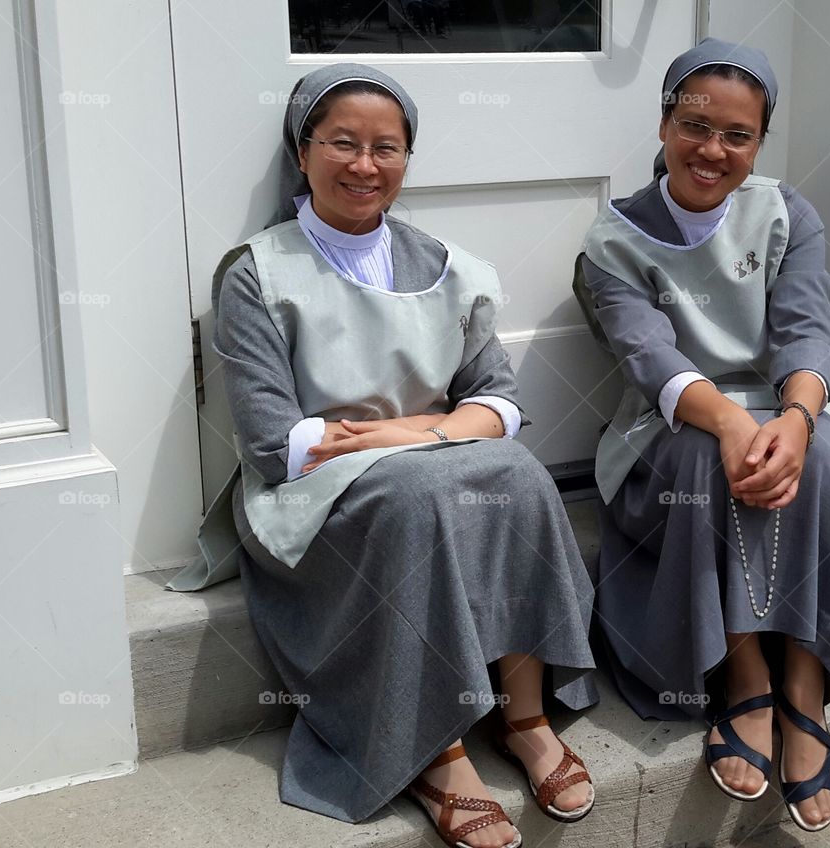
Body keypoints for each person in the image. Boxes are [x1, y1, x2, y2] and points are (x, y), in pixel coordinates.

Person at [181, 63, 598, 848]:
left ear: (408, 160)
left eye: (388, 148)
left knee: (520, 474)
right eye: (342, 143)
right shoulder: (258, 274)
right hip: (315, 497)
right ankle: (435, 749)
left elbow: (500, 404)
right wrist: (434, 431)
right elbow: (280, 440)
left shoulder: (449, 267)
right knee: (420, 497)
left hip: (426, 465)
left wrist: (396, 435)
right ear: (302, 152)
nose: (365, 166)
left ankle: (525, 715)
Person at [574, 39, 830, 833]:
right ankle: (743, 672)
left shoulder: (785, 213)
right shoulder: (615, 239)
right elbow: (648, 355)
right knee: (711, 454)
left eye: (737, 135)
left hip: (783, 403)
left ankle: (803, 682)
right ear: (665, 121)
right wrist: (737, 421)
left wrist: (801, 421)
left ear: (759, 142)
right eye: (695, 126)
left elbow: (809, 335)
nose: (713, 150)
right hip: (669, 422)